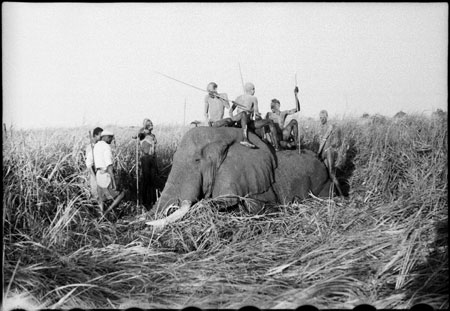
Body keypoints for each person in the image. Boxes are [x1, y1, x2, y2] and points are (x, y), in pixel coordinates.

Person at [226, 82, 280, 150]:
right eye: (254, 89)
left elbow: (230, 111)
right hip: (242, 121)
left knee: (269, 121)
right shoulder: (253, 98)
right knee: (244, 114)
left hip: (248, 122)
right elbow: (256, 113)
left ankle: (276, 146)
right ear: (252, 90)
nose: (254, 91)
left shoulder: (238, 98)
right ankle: (245, 139)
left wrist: (233, 118)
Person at [93, 129, 125, 215]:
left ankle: (101, 215)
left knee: (101, 198)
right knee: (121, 194)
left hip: (98, 174)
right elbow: (109, 165)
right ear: (106, 137)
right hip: (106, 175)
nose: (111, 140)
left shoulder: (96, 145)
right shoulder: (106, 147)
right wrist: (113, 181)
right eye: (111, 138)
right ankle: (107, 213)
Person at [317, 110, 343, 195]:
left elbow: (323, 141)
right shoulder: (321, 127)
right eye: (320, 118)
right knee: (325, 172)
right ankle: (331, 192)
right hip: (324, 152)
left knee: (331, 173)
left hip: (328, 151)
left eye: (323, 117)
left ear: (326, 117)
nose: (321, 119)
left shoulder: (329, 126)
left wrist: (318, 153)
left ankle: (341, 194)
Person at [138, 118, 158, 207]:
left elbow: (155, 149)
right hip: (145, 158)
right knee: (146, 180)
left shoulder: (153, 136)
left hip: (152, 158)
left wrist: (156, 162)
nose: (151, 125)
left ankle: (152, 200)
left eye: (151, 123)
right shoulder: (142, 134)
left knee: (152, 180)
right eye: (149, 124)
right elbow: (138, 135)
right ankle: (144, 201)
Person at [85, 127, 103, 200]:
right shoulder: (90, 147)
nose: (102, 138)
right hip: (93, 173)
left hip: (99, 172)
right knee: (95, 194)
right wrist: (95, 178)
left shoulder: (99, 145)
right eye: (100, 136)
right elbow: (89, 165)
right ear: (95, 135)